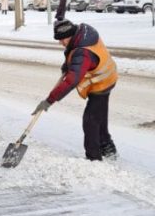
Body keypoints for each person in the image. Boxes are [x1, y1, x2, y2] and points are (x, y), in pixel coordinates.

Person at [33, 19, 118, 161]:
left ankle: (94, 158)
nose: (61, 43)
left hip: (101, 82)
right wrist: (67, 66)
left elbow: (72, 81)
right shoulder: (81, 34)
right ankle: (107, 147)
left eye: (62, 39)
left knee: (90, 120)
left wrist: (49, 101)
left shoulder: (82, 52)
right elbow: (72, 54)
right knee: (99, 116)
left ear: (70, 34)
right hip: (107, 75)